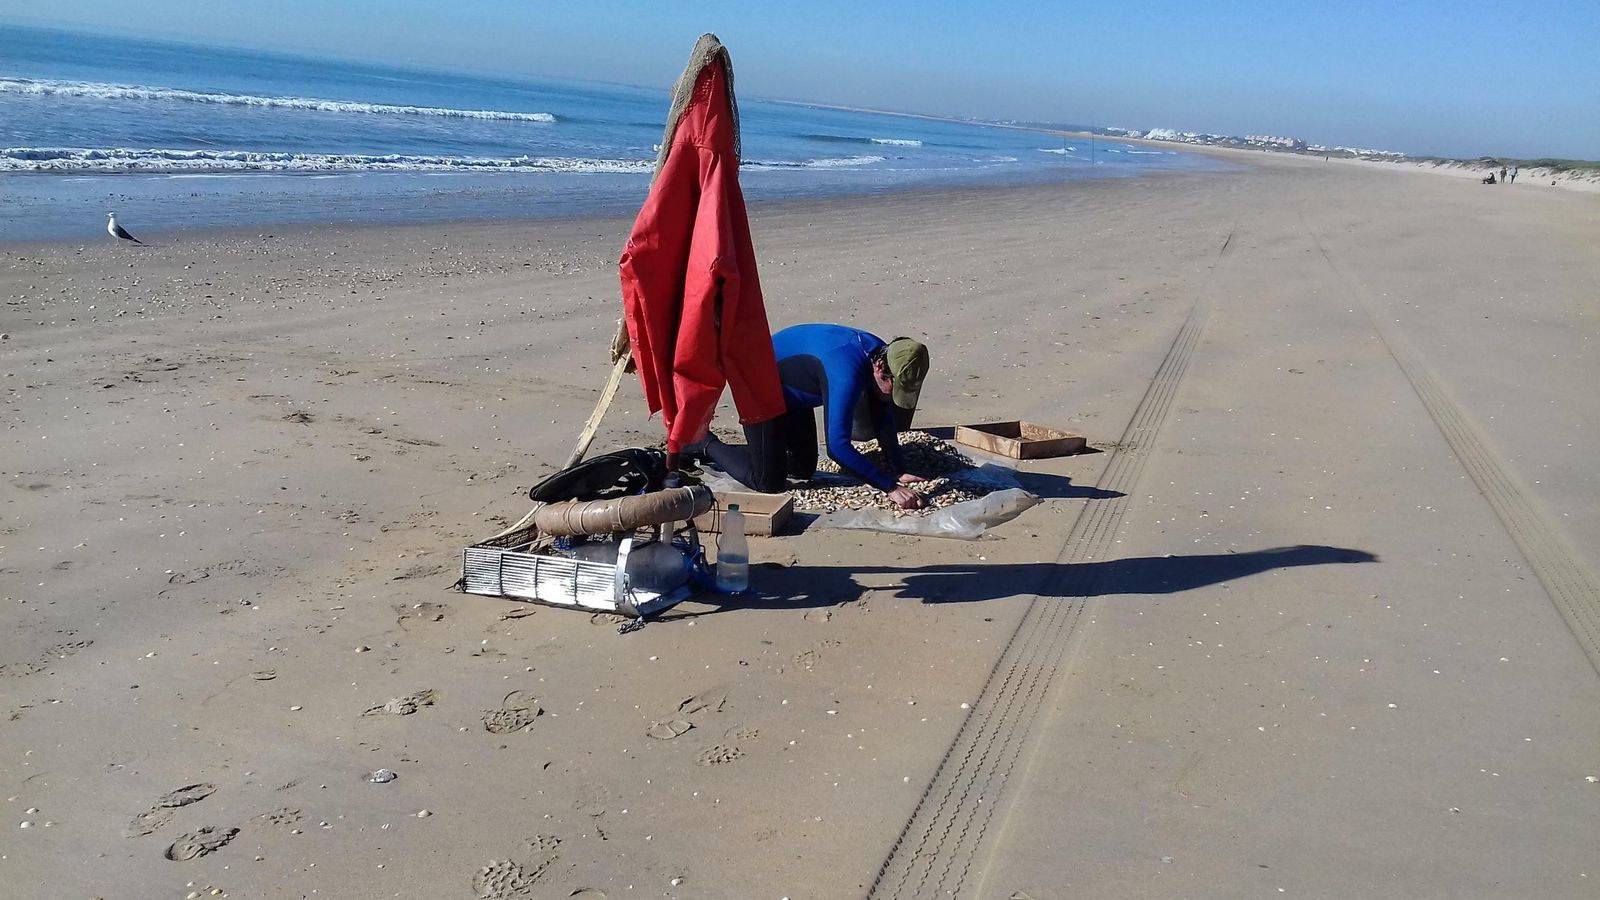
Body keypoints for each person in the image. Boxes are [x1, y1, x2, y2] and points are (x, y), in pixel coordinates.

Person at [690, 324, 931, 510]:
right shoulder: (846, 371)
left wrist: (898, 469)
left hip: (794, 391)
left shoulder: (885, 354)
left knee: (802, 469)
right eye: (894, 389)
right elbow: (837, 448)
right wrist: (889, 487)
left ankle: (762, 451)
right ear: (880, 367)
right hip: (757, 382)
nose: (892, 397)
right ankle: (702, 443)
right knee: (768, 481)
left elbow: (882, 412)